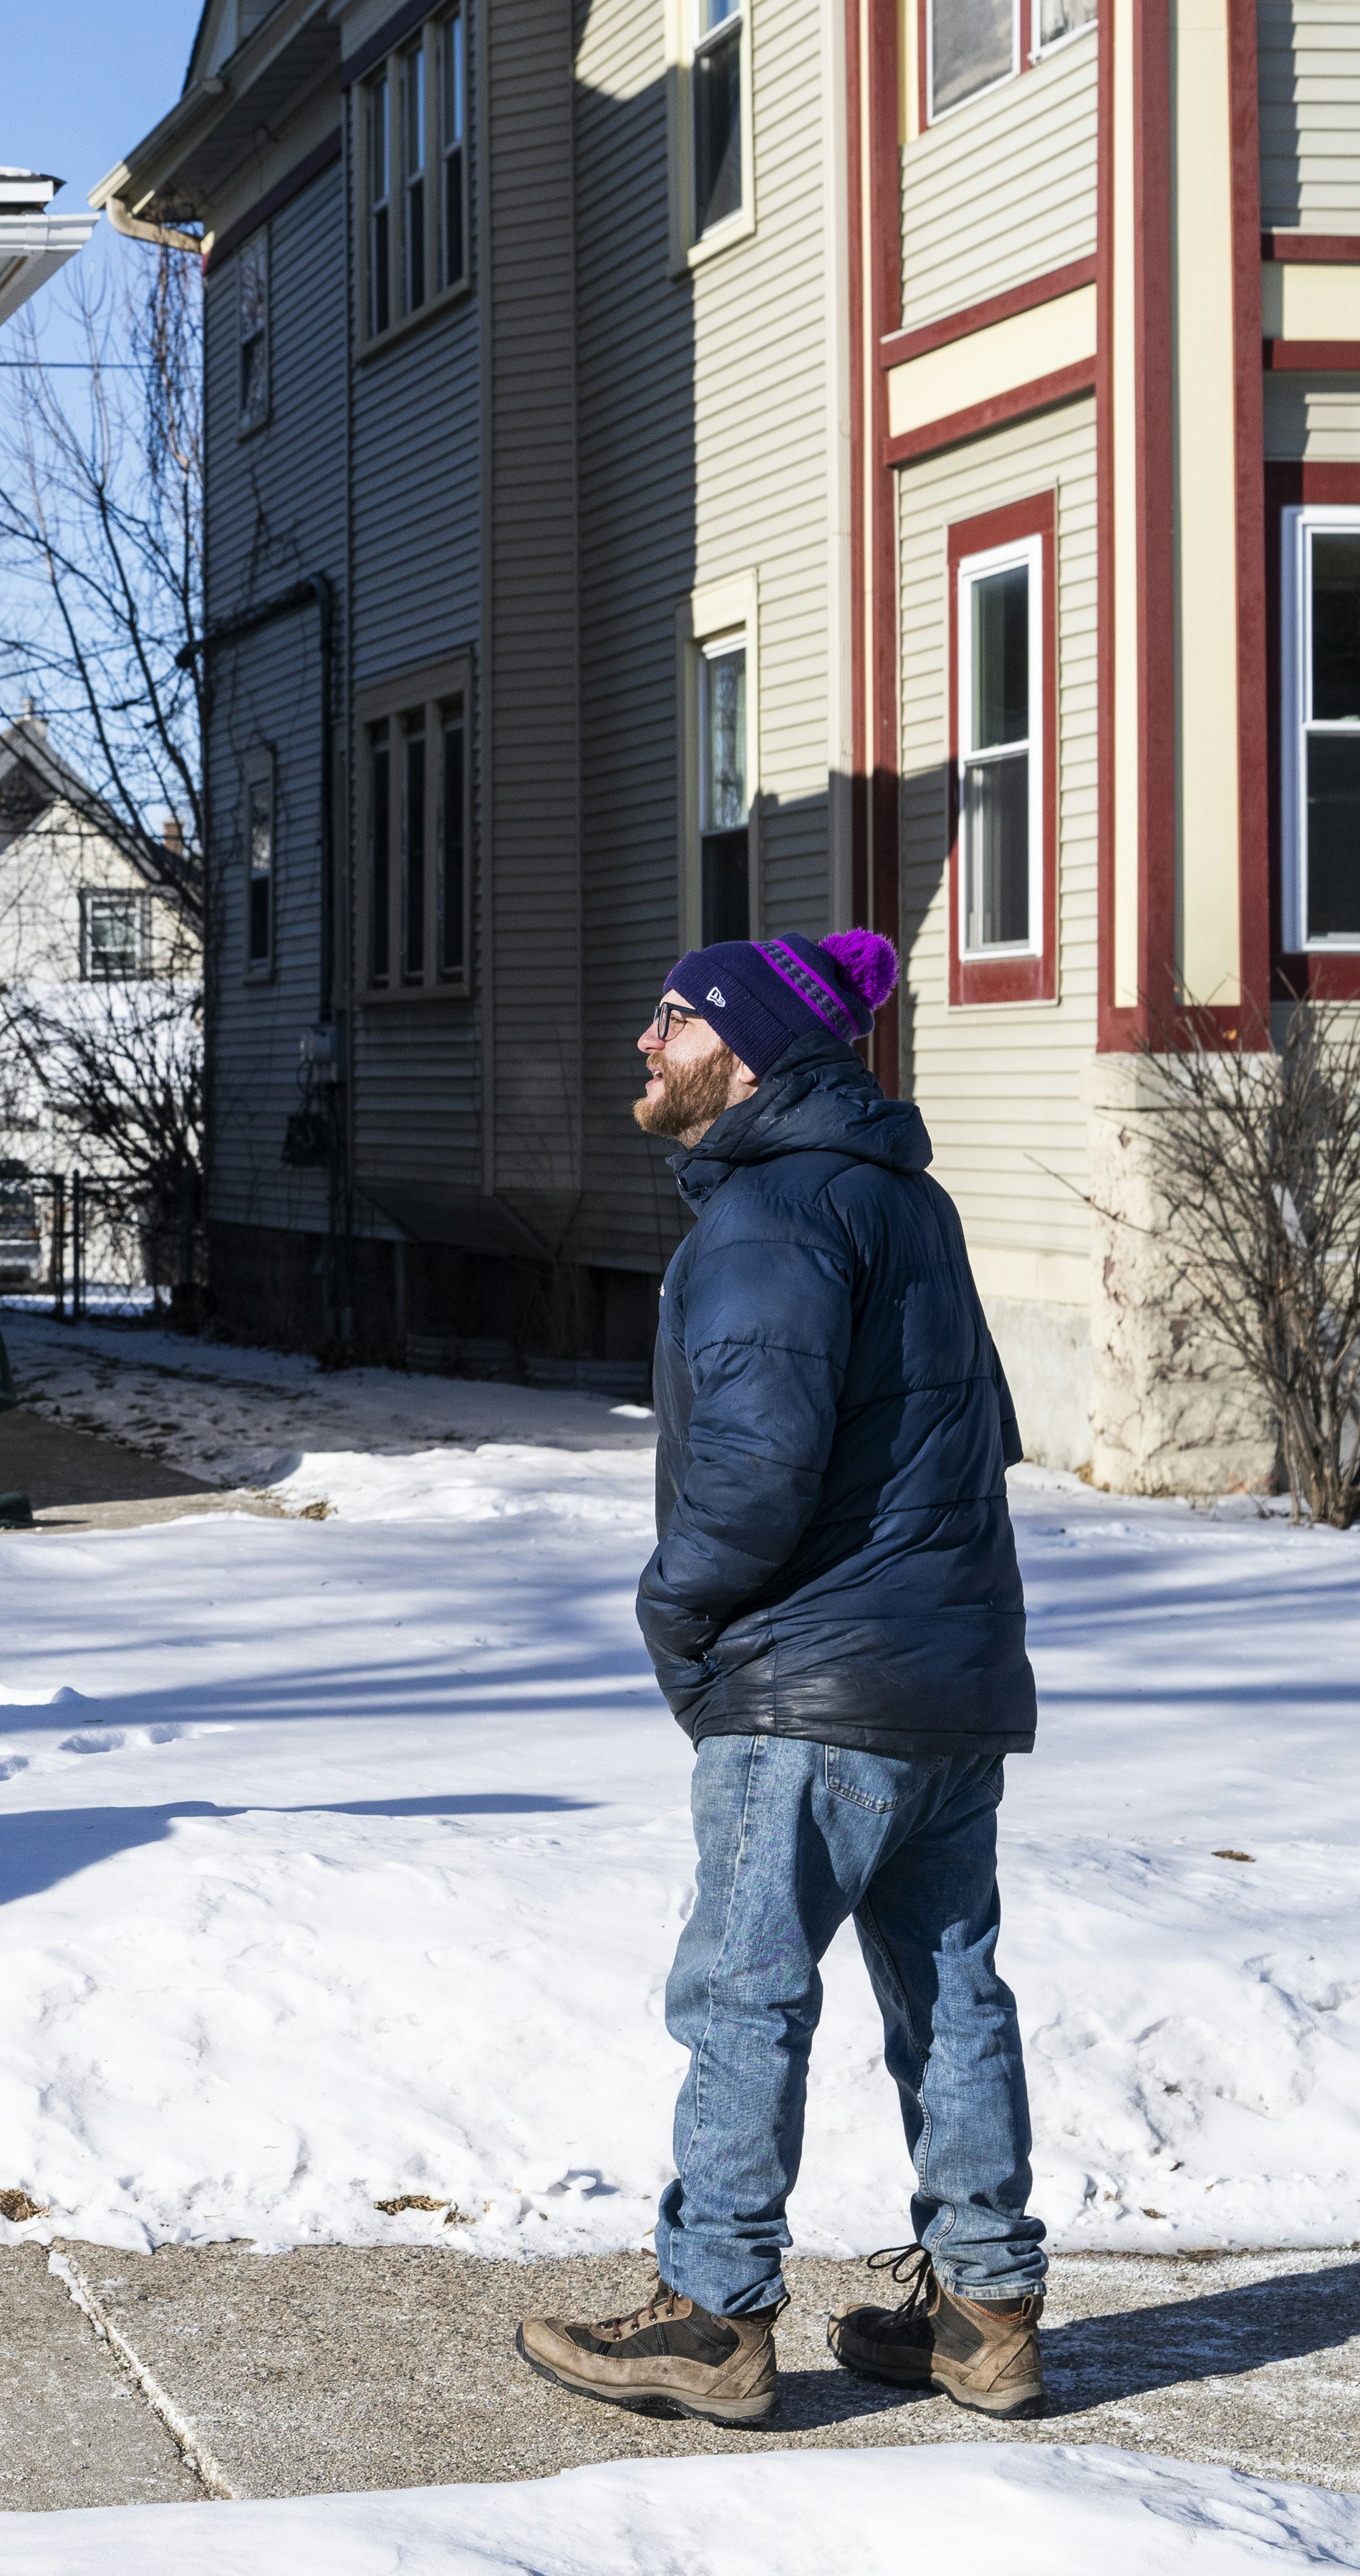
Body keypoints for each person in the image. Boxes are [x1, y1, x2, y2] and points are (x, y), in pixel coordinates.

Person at [516, 930, 1047, 2431]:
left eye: (671, 1018)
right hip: (942, 1676)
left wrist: (673, 1618)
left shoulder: (768, 1212)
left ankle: (710, 2314)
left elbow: (750, 1480)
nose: (643, 1040)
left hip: (812, 1682)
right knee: (949, 1994)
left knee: (741, 1995)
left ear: (739, 1052)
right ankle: (986, 2312)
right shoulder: (900, 1199)